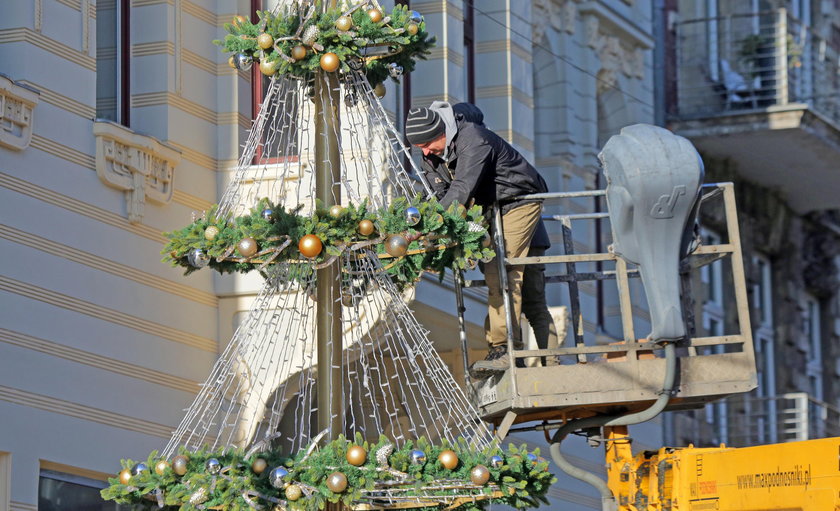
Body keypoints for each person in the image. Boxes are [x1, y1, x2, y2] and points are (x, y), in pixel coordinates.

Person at [405, 101, 549, 372]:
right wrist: (419, 222)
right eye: (419, 148)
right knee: (500, 273)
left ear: (440, 133)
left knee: (502, 269)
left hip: (518, 201)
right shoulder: (433, 152)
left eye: (426, 145)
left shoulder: (473, 138)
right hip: (490, 206)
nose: (424, 153)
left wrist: (432, 224)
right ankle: (506, 349)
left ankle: (505, 348)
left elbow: (461, 188)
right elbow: (437, 192)